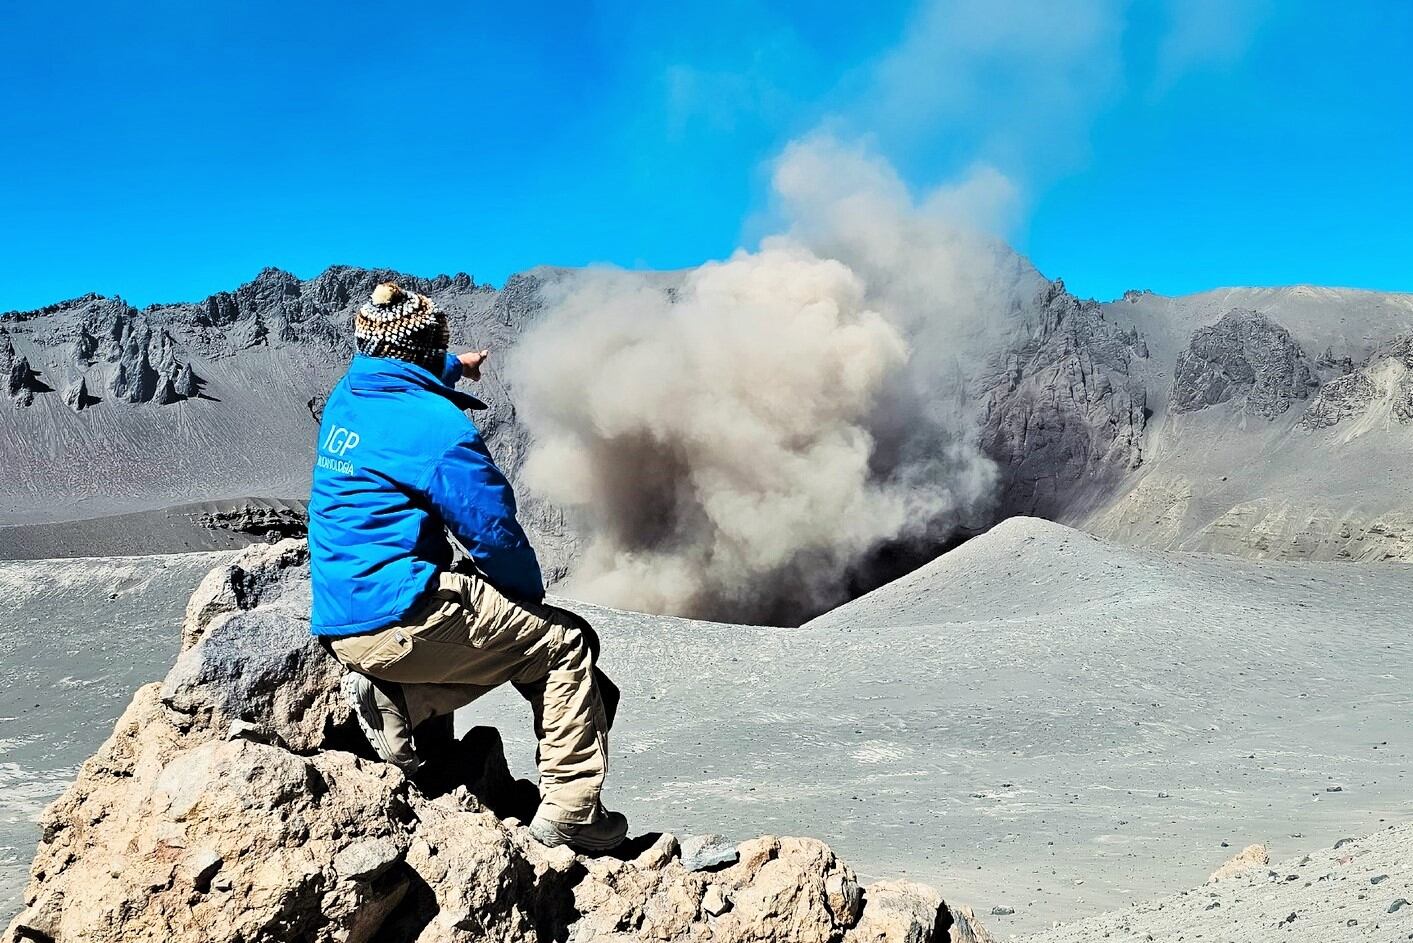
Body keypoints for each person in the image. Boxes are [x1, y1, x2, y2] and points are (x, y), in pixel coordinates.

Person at [306, 282, 626, 852]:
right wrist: (527, 603)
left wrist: (454, 364)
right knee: (565, 644)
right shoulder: (438, 429)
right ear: (424, 352)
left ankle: (404, 704)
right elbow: (493, 532)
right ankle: (574, 810)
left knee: (494, 620)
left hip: (340, 615)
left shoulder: (348, 395)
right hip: (399, 615)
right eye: (438, 354)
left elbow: (398, 370)